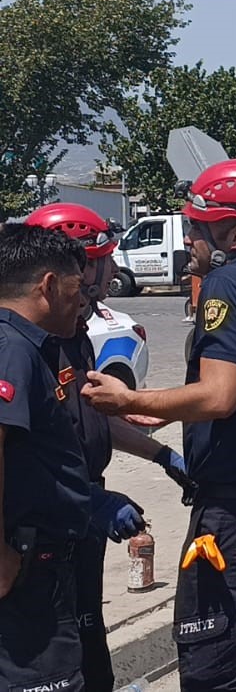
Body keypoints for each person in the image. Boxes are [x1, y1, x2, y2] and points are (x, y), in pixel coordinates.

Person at [81, 158, 236, 692]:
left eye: (197, 225)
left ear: (234, 234)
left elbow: (220, 396)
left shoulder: (227, 284)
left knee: (219, 669)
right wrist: (168, 410)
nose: (188, 237)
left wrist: (130, 396)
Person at [25, 204, 191, 692]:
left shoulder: (72, 334)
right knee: (51, 653)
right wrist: (89, 502)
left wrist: (162, 456)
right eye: (104, 259)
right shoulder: (22, 345)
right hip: (40, 523)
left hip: (79, 511)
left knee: (87, 628)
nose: (114, 270)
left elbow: (88, 417)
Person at [0, 224, 96, 690]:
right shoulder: (12, 349)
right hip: (24, 565)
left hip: (41, 558)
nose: (82, 302)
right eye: (77, 288)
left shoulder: (32, 346)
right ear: (49, 286)